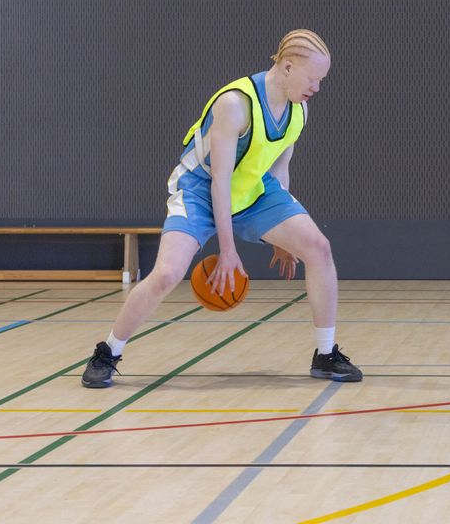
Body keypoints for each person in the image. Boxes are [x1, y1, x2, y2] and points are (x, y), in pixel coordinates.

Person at [81, 30, 362, 387]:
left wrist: (283, 238)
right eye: (313, 79)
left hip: (252, 191)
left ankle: (325, 355)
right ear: (288, 67)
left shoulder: (298, 110)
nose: (317, 88)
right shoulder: (235, 104)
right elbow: (220, 181)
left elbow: (278, 170)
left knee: (318, 248)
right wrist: (227, 251)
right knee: (167, 274)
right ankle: (108, 352)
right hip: (202, 189)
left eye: (321, 80)